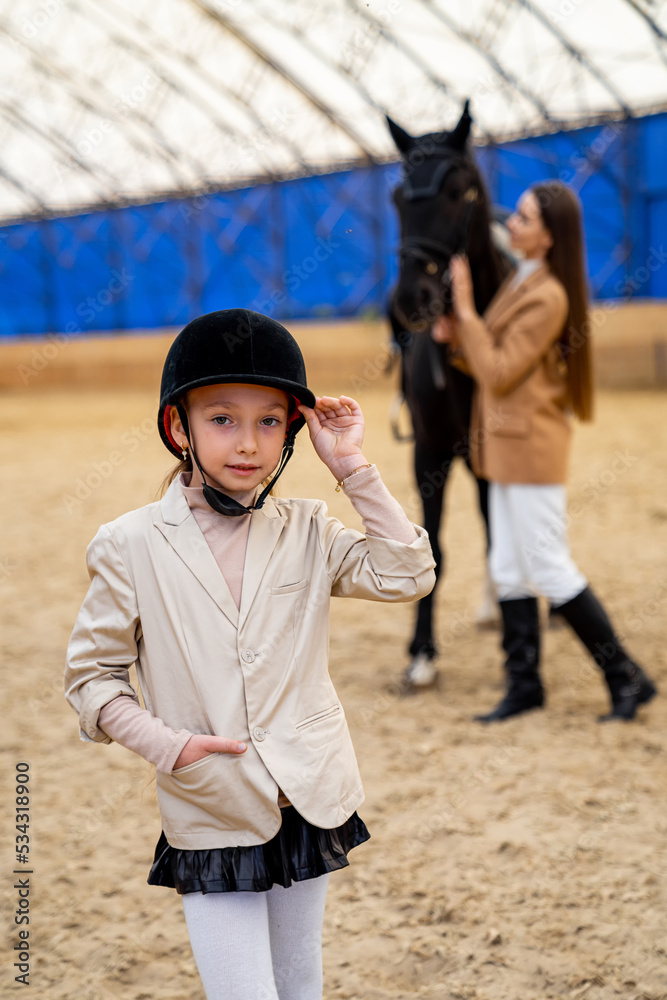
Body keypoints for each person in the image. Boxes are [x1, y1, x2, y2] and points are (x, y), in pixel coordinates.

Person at [64, 308, 435, 1000]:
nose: (248, 444)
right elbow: (91, 677)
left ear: (292, 431)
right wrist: (168, 745)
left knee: (300, 987)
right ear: (180, 428)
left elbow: (407, 574)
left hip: (308, 795)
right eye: (223, 419)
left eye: (270, 421)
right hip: (210, 805)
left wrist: (351, 467)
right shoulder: (129, 543)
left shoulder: (307, 528)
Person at [432, 181, 657, 723]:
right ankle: (524, 684)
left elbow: (501, 372)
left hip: (530, 447)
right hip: (507, 446)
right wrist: (459, 338)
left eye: (525, 218)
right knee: (508, 566)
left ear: (549, 237)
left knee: (550, 568)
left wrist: (464, 309)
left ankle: (625, 676)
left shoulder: (548, 295)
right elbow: (493, 359)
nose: (512, 223)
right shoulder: (524, 280)